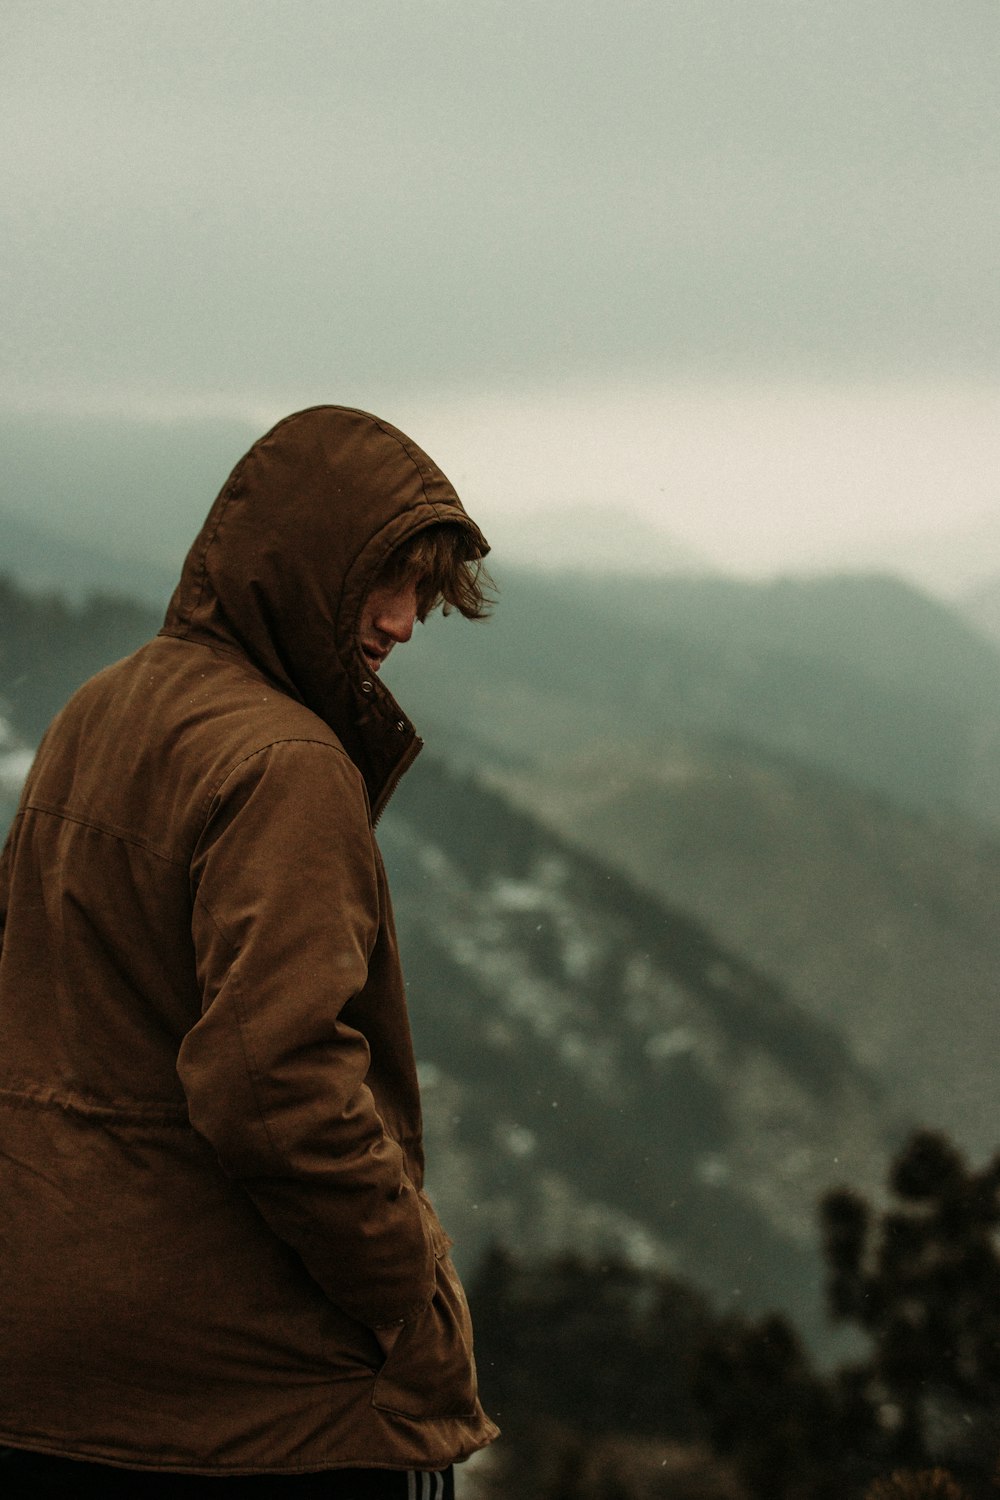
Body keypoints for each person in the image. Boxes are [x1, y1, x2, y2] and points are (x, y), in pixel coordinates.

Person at [0, 406, 500, 1496]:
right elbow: (270, 1083)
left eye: (426, 596)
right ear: (307, 562)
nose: (407, 623)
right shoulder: (287, 764)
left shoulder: (99, 709)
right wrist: (403, 1274)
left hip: (52, 1357)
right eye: (392, 580)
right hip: (246, 1396)